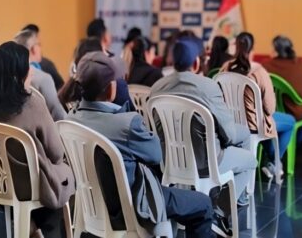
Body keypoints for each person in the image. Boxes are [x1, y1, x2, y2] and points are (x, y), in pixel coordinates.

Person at [65, 52, 217, 238]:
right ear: (110, 89)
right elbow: (156, 155)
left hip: (93, 207)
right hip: (133, 206)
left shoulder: (69, 120)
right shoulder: (126, 124)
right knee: (203, 204)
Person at [0, 42, 74, 238]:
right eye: (28, 67)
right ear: (17, 74)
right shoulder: (33, 104)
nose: (33, 73)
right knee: (64, 174)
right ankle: (45, 230)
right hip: (35, 187)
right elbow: (56, 152)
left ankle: (30, 227)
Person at [151, 39, 255, 204]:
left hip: (169, 160)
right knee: (250, 160)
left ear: (172, 60)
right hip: (206, 162)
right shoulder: (208, 87)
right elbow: (228, 135)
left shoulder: (157, 87)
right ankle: (226, 207)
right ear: (196, 62)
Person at [221, 32, 296, 180]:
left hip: (230, 123)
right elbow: (270, 108)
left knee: (268, 123)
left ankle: (272, 162)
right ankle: (274, 162)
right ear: (252, 49)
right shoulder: (258, 72)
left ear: (235, 47)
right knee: (290, 122)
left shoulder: (224, 68)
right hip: (253, 125)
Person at [60, 37, 130, 108]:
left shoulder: (66, 93)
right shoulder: (118, 86)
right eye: (104, 52)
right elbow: (130, 111)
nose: (108, 55)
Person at [14, 29, 67, 121]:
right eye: (39, 45)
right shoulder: (43, 78)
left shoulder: (7, 75)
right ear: (33, 49)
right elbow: (58, 114)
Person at [263, 35, 302, 121]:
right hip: (298, 113)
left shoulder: (265, 66)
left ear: (276, 51)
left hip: (275, 112)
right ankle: (299, 134)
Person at [22, 24, 64, 90]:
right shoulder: (46, 65)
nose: (40, 47)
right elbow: (62, 88)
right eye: (39, 44)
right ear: (33, 48)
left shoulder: (13, 66)